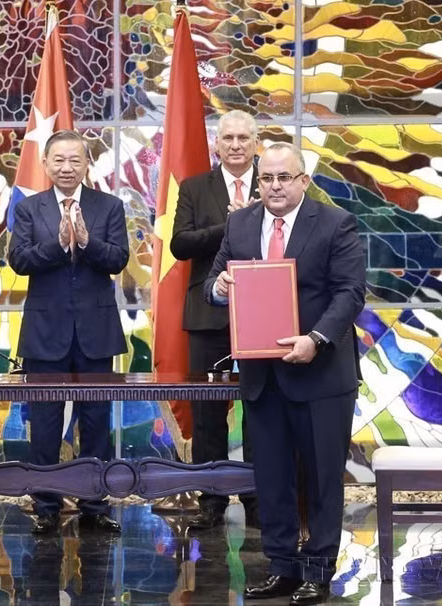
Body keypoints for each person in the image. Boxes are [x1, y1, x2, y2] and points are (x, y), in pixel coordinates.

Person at [204, 142, 365, 605]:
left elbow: (350, 292)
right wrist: (218, 287)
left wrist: (314, 338)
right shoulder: (240, 223)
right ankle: (281, 568)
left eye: (283, 178)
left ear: (302, 181)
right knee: (272, 478)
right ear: (258, 183)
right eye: (267, 179)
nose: (274, 186)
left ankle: (318, 569)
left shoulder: (335, 223)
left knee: (320, 477)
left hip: (321, 375)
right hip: (262, 377)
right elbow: (215, 283)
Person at [8, 129, 128, 535]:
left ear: (86, 164)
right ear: (45, 164)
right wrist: (58, 246)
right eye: (58, 160)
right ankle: (46, 505)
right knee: (44, 422)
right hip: (45, 332)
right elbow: (19, 262)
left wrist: (86, 242)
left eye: (75, 160)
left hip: (96, 331)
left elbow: (117, 259)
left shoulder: (108, 206)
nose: (66, 167)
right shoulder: (29, 209)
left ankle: (94, 504)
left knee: (95, 421)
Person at [170, 109, 261, 529]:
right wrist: (229, 225)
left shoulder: (274, 182)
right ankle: (212, 499)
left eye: (244, 137)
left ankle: (259, 494)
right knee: (208, 413)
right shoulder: (194, 187)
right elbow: (180, 244)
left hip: (264, 315)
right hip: (208, 313)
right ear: (217, 145)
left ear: (256, 143)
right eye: (229, 138)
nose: (237, 144)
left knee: (262, 407)